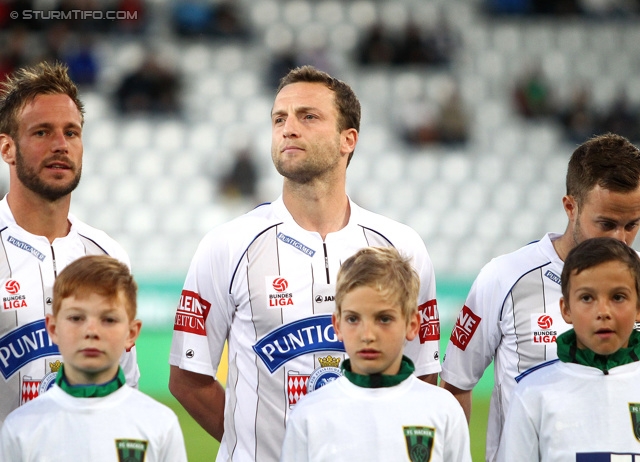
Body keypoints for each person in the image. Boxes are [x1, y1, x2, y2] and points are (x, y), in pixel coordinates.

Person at [169, 65, 440, 462]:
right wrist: (255, 448)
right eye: (279, 118)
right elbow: (188, 379)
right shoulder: (226, 245)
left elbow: (423, 377)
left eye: (308, 116)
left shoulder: (402, 248)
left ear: (348, 139)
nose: (288, 128)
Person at [439, 133, 640, 461]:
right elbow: (457, 385)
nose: (621, 240)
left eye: (632, 224)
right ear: (570, 207)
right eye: (606, 223)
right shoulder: (503, 278)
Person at [0, 61, 139, 424]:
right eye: (42, 132)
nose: (61, 145)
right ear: (7, 149)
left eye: (71, 133)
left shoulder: (107, 256)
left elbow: (124, 391)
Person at [280, 247, 470, 462]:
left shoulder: (443, 409)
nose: (368, 335)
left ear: (412, 324)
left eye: (384, 319)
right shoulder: (309, 415)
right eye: (353, 319)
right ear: (337, 325)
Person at [0, 255, 188, 461]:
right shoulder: (21, 428)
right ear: (53, 329)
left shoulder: (160, 424)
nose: (91, 331)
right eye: (76, 318)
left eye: (108, 319)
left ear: (131, 333)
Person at [497, 237, 640, 461]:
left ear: (639, 307)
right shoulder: (532, 393)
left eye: (618, 297)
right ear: (566, 310)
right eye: (587, 298)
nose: (603, 311)